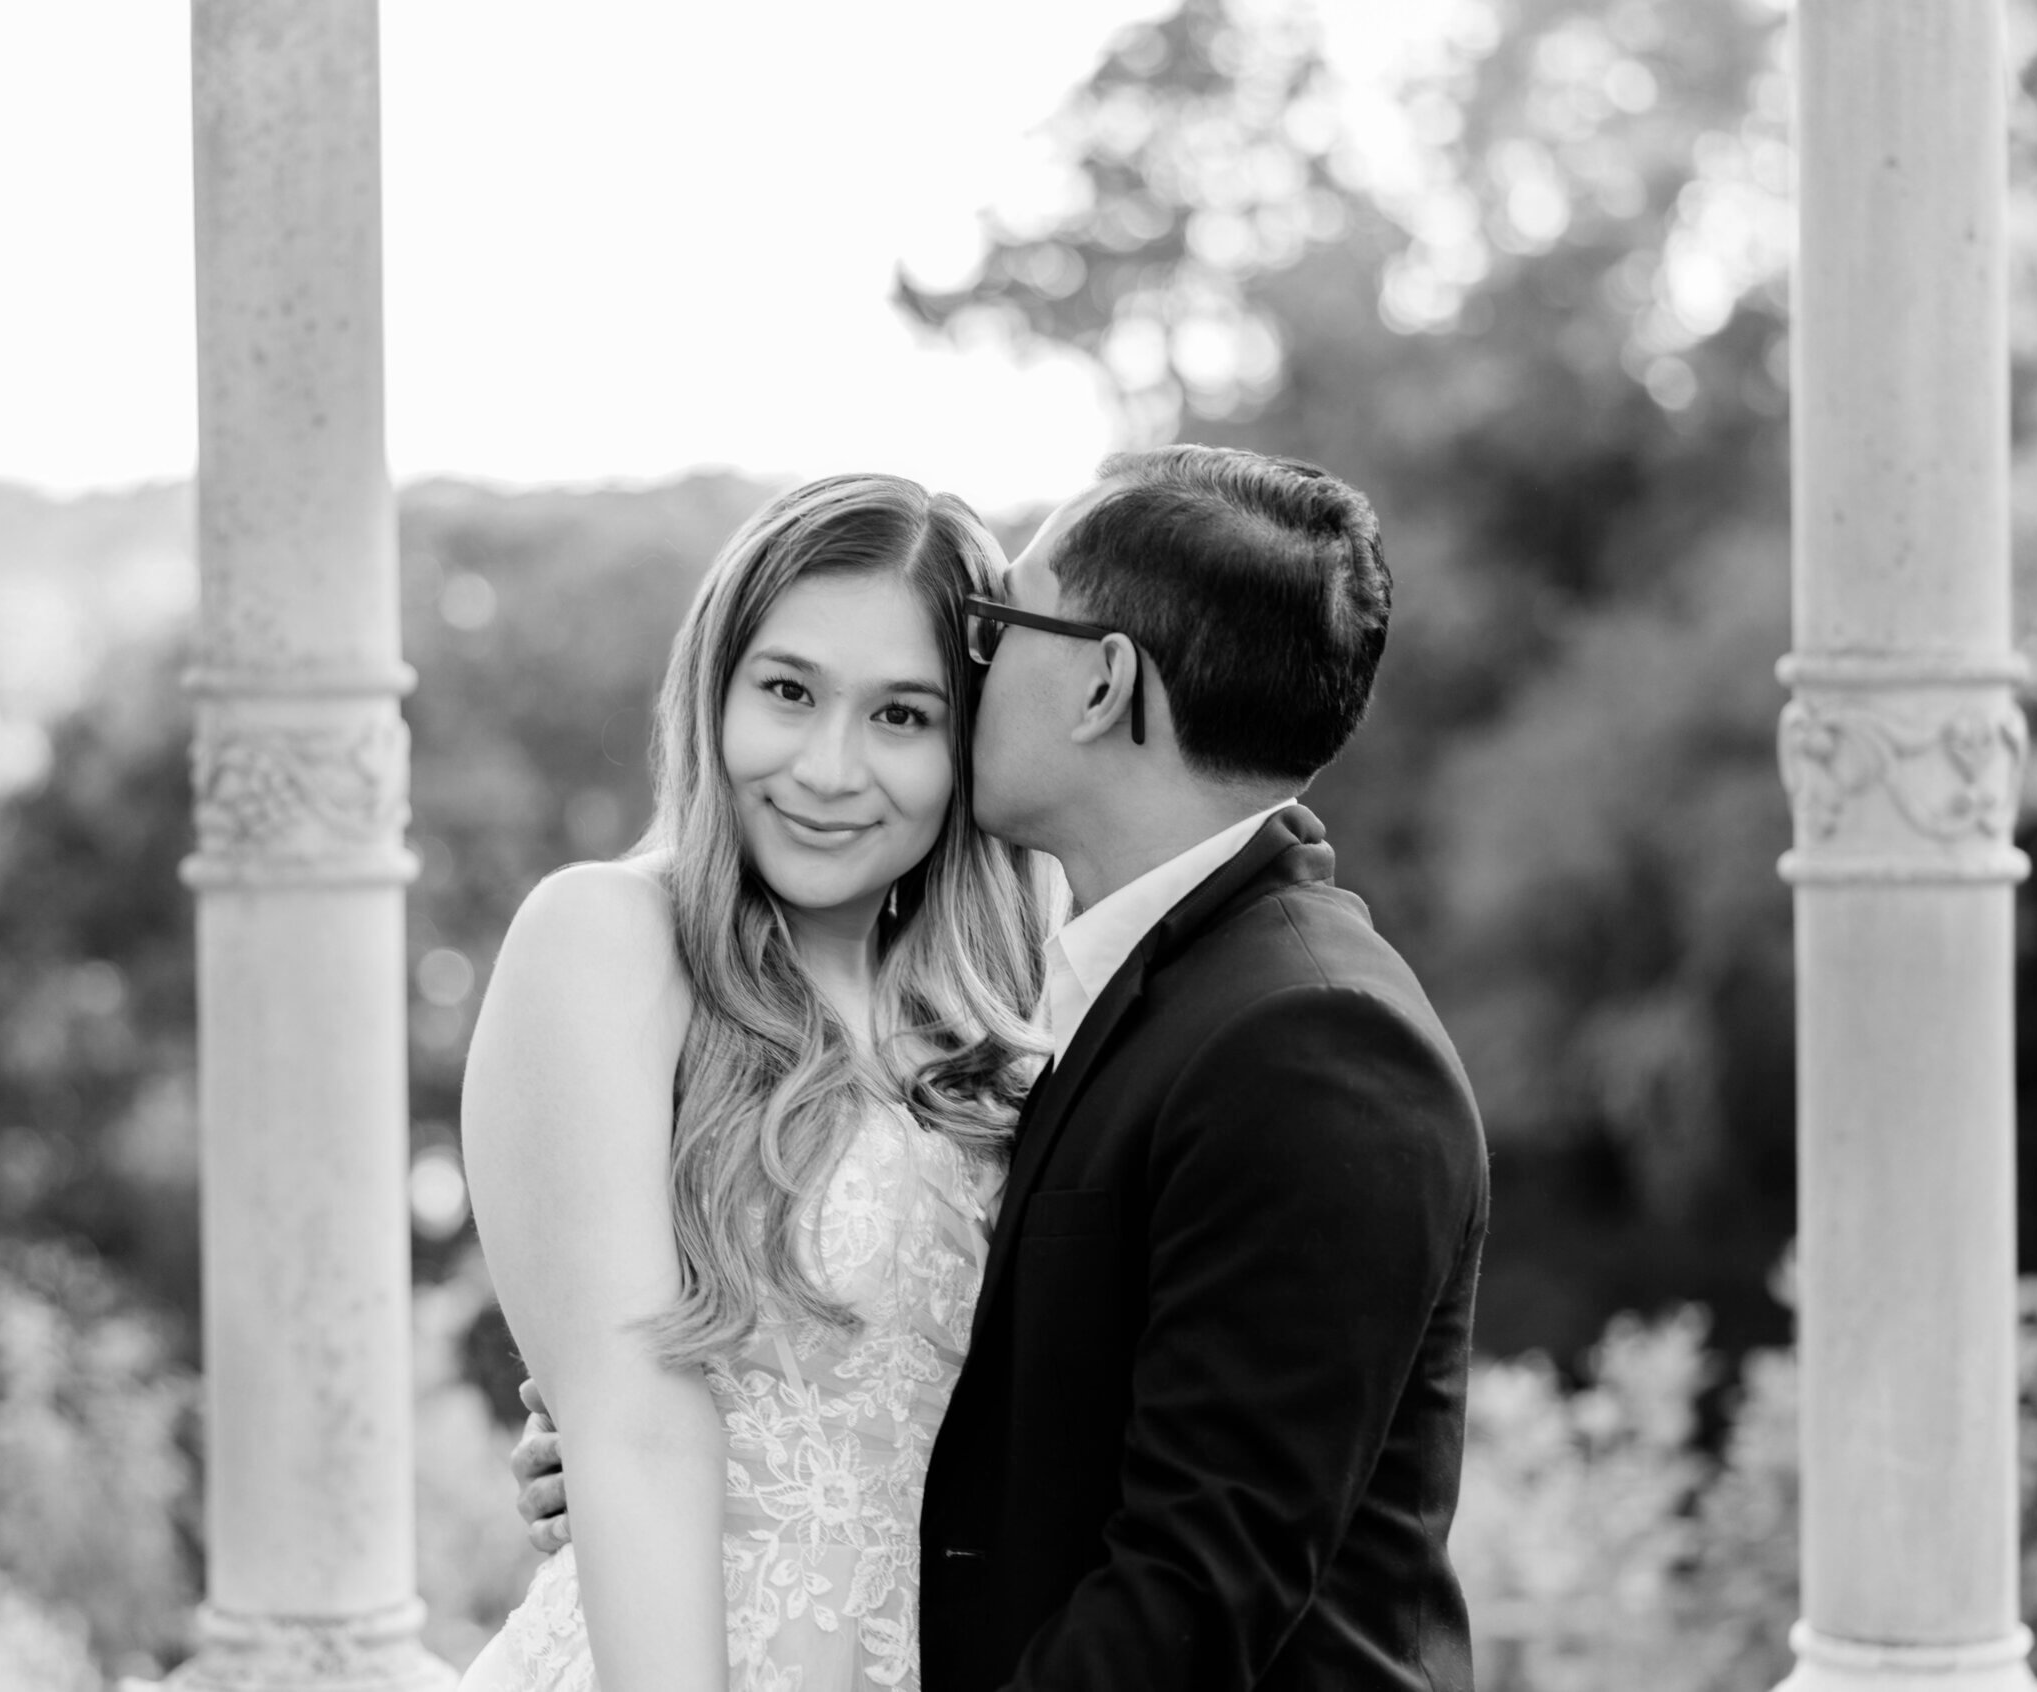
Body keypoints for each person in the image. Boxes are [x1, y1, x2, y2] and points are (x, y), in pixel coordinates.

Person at [512, 444, 1490, 1691]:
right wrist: (602, 1442)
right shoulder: (1078, 989)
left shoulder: (1297, 1037)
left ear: (1100, 685)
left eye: (928, 692)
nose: (830, 766)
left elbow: (1190, 1587)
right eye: (787, 692)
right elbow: (662, 1418)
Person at [458, 473, 1052, 1692]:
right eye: (787, 692)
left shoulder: (1005, 1024)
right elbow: (634, 1433)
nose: (829, 769)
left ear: (968, 746)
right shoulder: (609, 938)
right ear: (712, 691)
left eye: (902, 716)